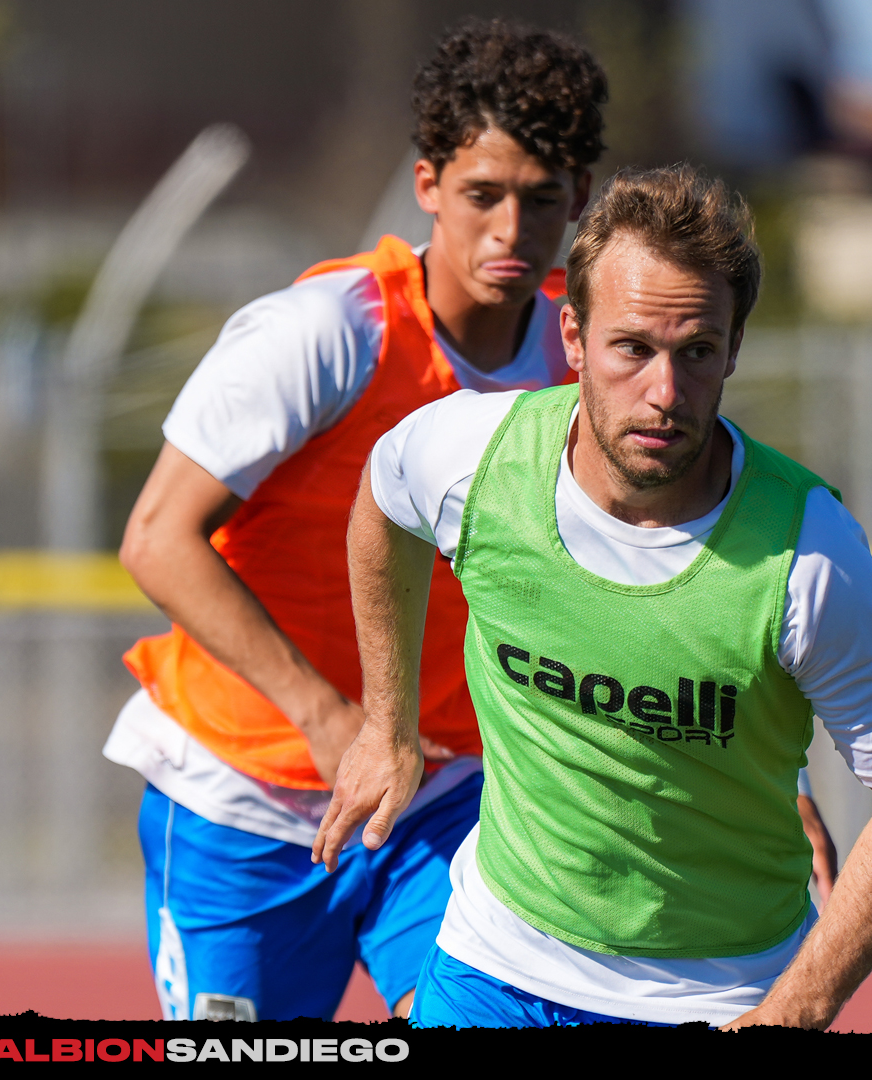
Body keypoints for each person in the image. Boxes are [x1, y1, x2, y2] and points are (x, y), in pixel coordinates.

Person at [317, 165, 872, 1030]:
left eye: (697, 352)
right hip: (492, 966)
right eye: (634, 348)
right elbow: (382, 499)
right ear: (575, 336)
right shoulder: (470, 457)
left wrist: (797, 1008)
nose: (665, 394)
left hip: (719, 997)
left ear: (733, 348)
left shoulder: (806, 552)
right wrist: (386, 727)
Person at [102, 19, 609, 1022]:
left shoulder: (582, 357)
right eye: (482, 195)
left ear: (580, 202)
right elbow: (156, 539)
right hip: (239, 795)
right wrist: (337, 724)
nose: (511, 229)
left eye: (542, 200)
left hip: (442, 796)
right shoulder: (328, 333)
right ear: (427, 186)